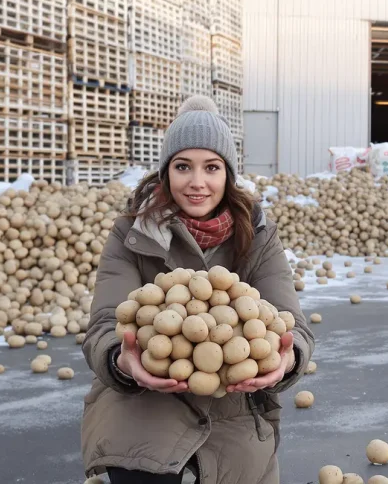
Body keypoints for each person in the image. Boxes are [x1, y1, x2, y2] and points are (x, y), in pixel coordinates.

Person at [81, 96, 315, 484]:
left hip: (233, 406)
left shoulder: (257, 236)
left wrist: (285, 361)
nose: (197, 182)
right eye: (182, 166)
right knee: (146, 468)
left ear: (228, 173)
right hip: (144, 401)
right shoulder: (130, 234)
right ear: (165, 172)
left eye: (211, 167)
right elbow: (107, 322)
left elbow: (293, 326)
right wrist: (123, 362)